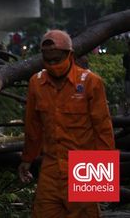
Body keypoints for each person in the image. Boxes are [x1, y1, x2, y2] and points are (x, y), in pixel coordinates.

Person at [18, 30, 114, 218]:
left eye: (57, 59)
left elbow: (103, 129)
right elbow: (33, 126)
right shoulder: (36, 83)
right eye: (48, 60)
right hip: (51, 168)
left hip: (85, 167)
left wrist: (103, 179)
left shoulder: (90, 83)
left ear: (70, 55)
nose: (53, 65)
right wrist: (27, 159)